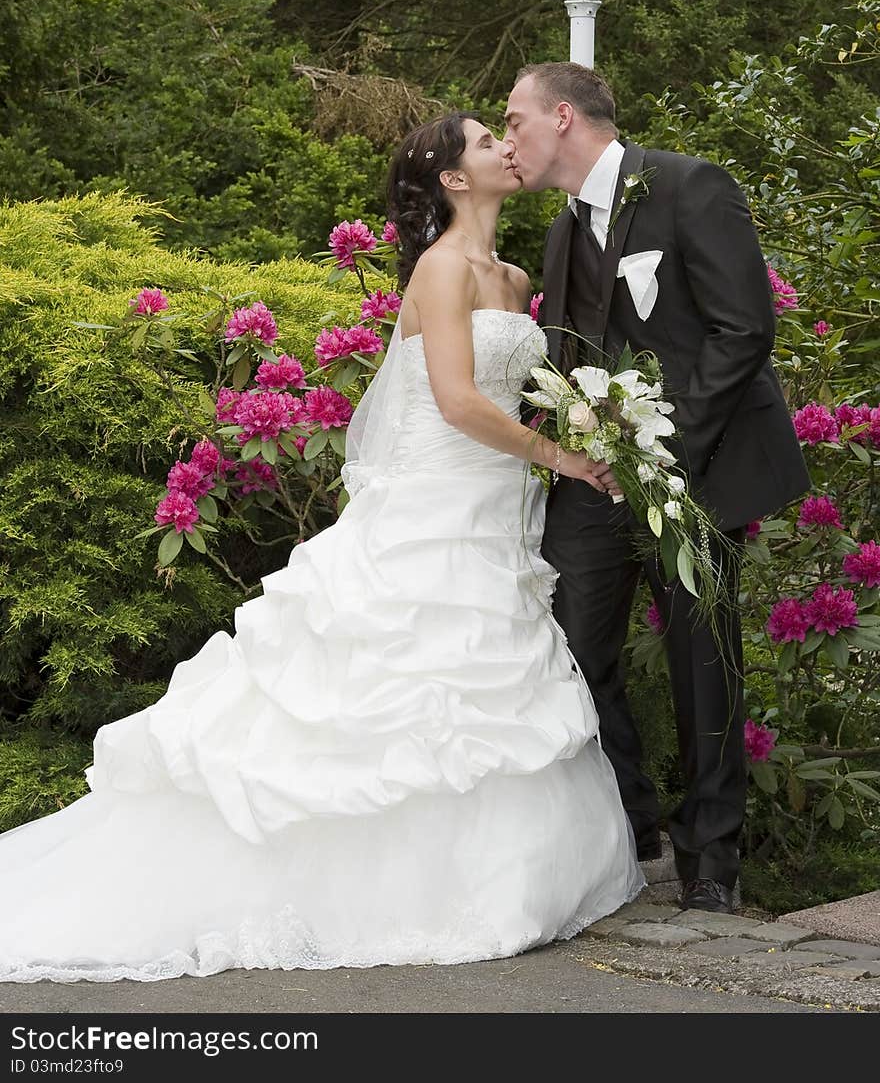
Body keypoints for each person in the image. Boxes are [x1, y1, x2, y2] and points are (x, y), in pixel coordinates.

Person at [0, 111, 643, 983]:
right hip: (433, 500)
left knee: (479, 680)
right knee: (395, 681)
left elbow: (514, 390)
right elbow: (456, 401)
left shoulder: (514, 271)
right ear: (455, 179)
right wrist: (563, 454)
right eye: (486, 140)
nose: (504, 146)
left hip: (499, 507)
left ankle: (489, 879)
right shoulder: (441, 269)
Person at [503, 62, 811, 914]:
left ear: (563, 117)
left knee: (701, 660)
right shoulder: (567, 226)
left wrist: (666, 447)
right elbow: (572, 349)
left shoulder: (688, 186)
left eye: (515, 117)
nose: (508, 135)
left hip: (697, 471)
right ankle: (630, 822)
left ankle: (712, 861)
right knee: (568, 641)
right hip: (595, 477)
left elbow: (742, 327)